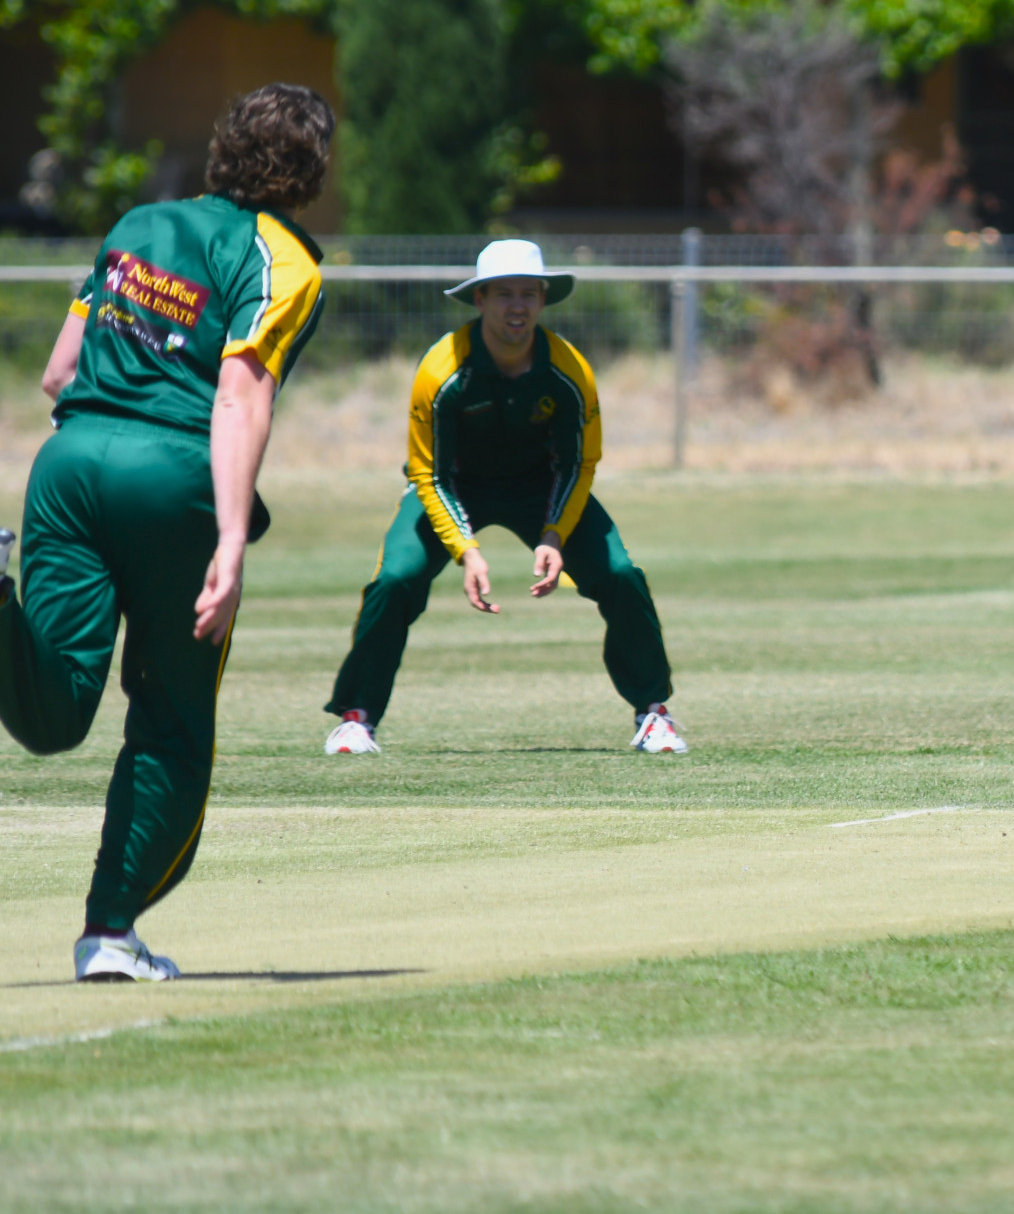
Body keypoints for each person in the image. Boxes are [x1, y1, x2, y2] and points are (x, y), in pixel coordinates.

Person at [0, 83, 335, 982]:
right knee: (173, 725)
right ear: (308, 176)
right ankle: (109, 931)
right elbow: (241, 391)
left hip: (67, 467)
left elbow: (58, 371)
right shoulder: (287, 259)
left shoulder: (137, 225)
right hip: (174, 482)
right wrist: (230, 537)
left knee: (57, 710)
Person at [321, 239, 684, 757]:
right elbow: (430, 473)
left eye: (529, 294)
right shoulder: (440, 370)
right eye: (504, 294)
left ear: (543, 300)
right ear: (480, 300)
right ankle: (356, 718)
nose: (518, 306)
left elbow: (578, 464)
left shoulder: (569, 372)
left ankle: (654, 714)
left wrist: (555, 534)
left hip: (541, 488)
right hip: (454, 486)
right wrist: (466, 549)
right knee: (394, 580)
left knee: (622, 575)